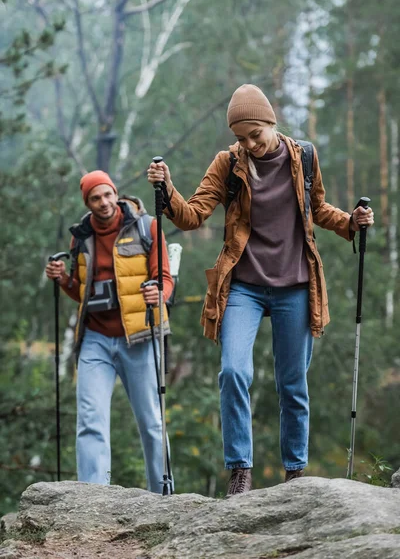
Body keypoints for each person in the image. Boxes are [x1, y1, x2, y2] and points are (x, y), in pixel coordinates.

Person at [147, 84, 374, 496]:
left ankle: (294, 473)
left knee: (292, 383)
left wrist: (350, 222)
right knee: (233, 371)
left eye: (256, 134)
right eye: (241, 137)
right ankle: (239, 470)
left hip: (294, 286)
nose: (250, 143)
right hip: (243, 286)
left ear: (271, 122)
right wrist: (167, 191)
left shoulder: (303, 156)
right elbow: (193, 215)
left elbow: (317, 208)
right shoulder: (227, 163)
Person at [45, 170, 174, 493]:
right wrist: (63, 279)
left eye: (107, 195)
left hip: (140, 337)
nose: (103, 203)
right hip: (95, 340)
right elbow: (83, 292)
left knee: (152, 423)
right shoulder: (81, 236)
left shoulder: (147, 227)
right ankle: (91, 498)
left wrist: (159, 293)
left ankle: (163, 496)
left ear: (116, 194)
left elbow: (165, 279)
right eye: (95, 198)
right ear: (87, 203)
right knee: (90, 421)